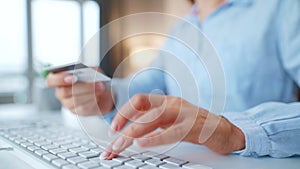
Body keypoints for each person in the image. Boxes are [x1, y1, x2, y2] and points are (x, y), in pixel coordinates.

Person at [46, 0, 300, 159]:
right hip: (175, 160)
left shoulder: (282, 8)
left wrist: (234, 131)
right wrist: (106, 97)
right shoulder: (180, 28)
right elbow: (148, 87)